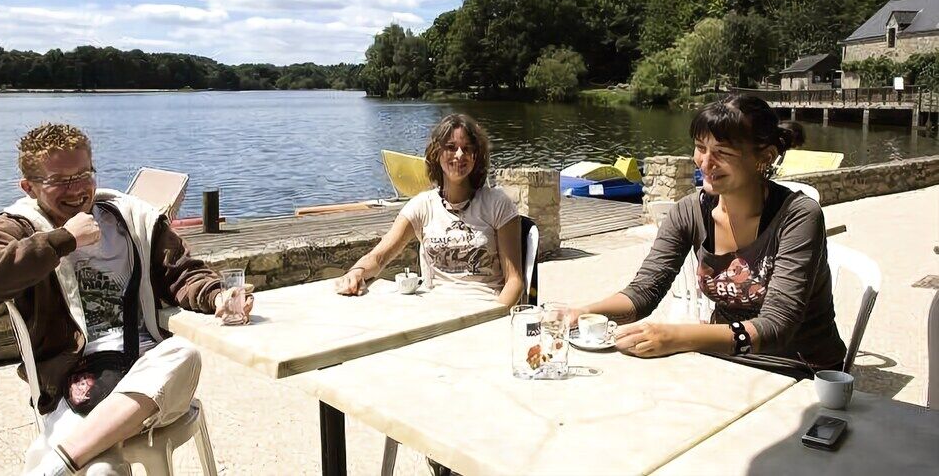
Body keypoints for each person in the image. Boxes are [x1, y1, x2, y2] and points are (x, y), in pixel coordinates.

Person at [0, 123, 252, 476]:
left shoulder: (130, 217)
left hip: (150, 379)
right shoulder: (19, 228)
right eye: (60, 180)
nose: (77, 189)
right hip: (72, 386)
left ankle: (50, 468)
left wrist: (216, 296)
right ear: (29, 188)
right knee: (100, 472)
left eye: (83, 174)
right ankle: (63, 463)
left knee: (181, 353)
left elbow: (181, 272)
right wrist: (62, 240)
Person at [567, 95, 846, 378]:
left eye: (722, 152)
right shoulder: (690, 211)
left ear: (765, 157)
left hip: (799, 371)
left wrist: (679, 336)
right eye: (701, 148)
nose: (705, 163)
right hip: (723, 363)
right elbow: (643, 293)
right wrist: (580, 313)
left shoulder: (798, 216)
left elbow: (776, 326)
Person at [336, 113, 524, 306]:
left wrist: (494, 318)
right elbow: (380, 256)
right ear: (437, 153)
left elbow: (514, 281)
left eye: (467, 149)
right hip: (435, 311)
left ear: (476, 156)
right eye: (450, 148)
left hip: (485, 306)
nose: (459, 155)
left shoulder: (497, 204)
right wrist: (356, 272)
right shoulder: (422, 206)